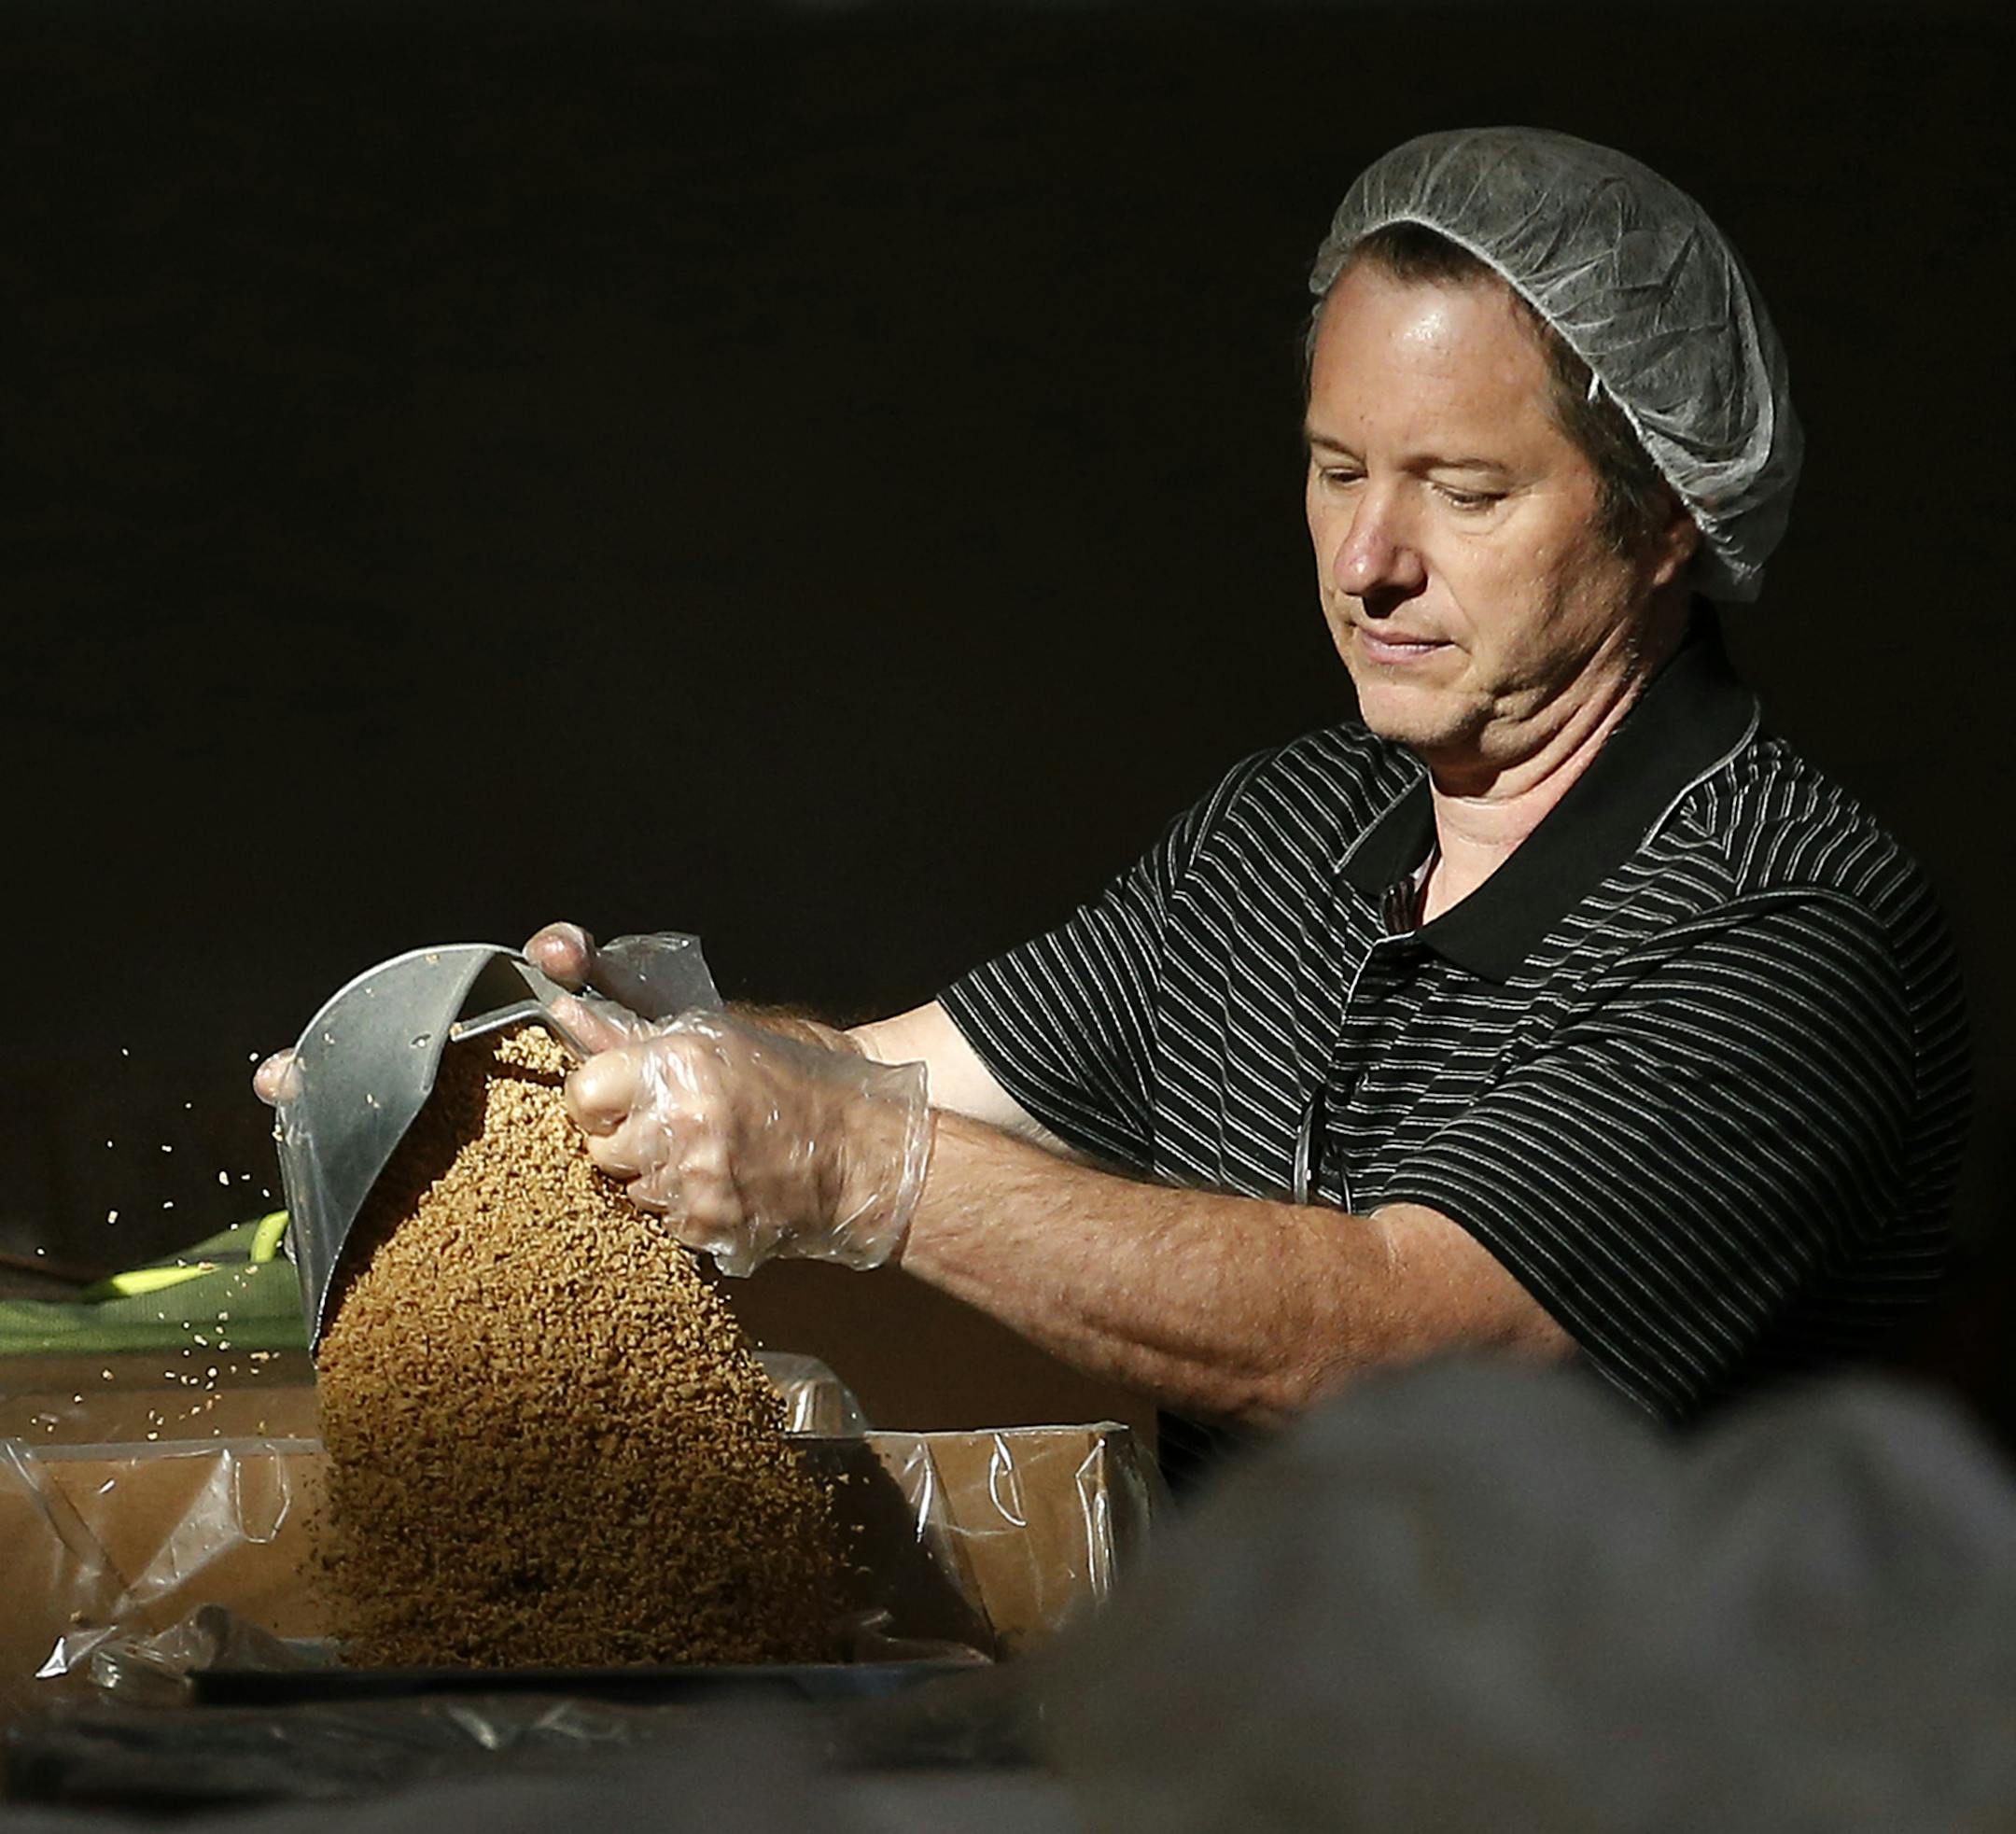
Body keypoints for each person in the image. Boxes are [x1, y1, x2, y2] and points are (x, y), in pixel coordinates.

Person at [267, 129, 1973, 1485]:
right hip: (1258, 1726)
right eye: (1335, 471)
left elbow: (1404, 1344)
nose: (1370, 562)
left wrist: (852, 1166)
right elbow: (893, 1079)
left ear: (1664, 517)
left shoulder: (1788, 925)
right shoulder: (1291, 827)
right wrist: (577, 1064)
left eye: (1463, 490)